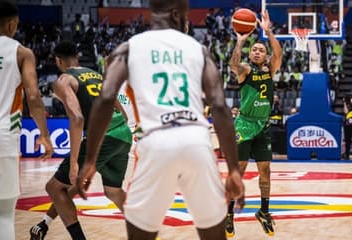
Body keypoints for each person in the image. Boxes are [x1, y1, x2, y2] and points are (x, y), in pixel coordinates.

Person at [76, 1, 245, 239]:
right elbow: (219, 106)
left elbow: (105, 99)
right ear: (176, 14)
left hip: (156, 142)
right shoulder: (199, 50)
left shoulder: (128, 48)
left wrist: (91, 160)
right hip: (196, 141)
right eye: (186, 16)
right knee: (213, 234)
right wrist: (234, 170)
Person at [29, 41, 132, 240]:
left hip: (103, 136)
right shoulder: (96, 74)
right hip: (123, 134)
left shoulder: (64, 81)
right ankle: (145, 231)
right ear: (77, 57)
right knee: (113, 191)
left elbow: (77, 118)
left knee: (54, 187)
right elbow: (120, 109)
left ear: (58, 60)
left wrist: (74, 162)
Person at [0, 2, 53, 240]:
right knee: (3, 214)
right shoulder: (21, 53)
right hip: (3, 138)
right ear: (12, 23)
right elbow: (33, 96)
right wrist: (44, 133)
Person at [226, 9, 282, 237]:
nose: (257, 51)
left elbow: (278, 54)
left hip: (264, 126)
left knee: (265, 171)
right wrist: (240, 42)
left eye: (261, 50)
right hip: (244, 126)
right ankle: (228, 214)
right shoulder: (245, 70)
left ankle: (264, 211)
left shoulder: (270, 70)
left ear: (266, 56)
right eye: (255, 49)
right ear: (250, 56)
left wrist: (268, 32)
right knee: (238, 172)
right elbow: (232, 64)